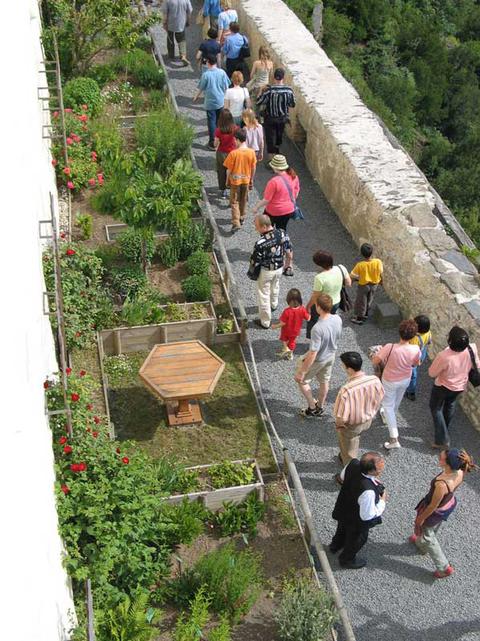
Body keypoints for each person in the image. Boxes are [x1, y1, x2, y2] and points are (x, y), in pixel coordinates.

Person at [409, 448, 476, 578]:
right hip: (448, 504)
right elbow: (454, 489)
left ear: (448, 464)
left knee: (428, 533)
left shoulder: (441, 485)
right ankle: (421, 544)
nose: (439, 458)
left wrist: (420, 519)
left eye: (441, 458)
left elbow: (432, 506)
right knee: (433, 527)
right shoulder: (460, 472)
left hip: (435, 510)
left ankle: (444, 567)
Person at [330, 452, 387, 569]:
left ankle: (335, 545)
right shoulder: (368, 491)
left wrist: (373, 480)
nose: (381, 470)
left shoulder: (353, 463)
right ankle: (347, 560)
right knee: (357, 539)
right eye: (379, 469)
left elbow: (342, 477)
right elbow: (367, 515)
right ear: (371, 471)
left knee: (341, 528)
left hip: (344, 507)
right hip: (356, 521)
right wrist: (382, 501)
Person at [372, 319, 421, 450]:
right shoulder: (415, 348)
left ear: (399, 332)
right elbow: (416, 364)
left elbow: (376, 360)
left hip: (389, 379)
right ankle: (389, 416)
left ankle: (394, 438)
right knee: (396, 402)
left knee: (387, 404)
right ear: (414, 335)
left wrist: (377, 352)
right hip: (405, 379)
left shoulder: (390, 347)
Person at [428, 326, 480, 448]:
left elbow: (432, 373)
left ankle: (442, 439)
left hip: (443, 386)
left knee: (435, 408)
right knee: (450, 405)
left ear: (450, 341)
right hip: (460, 385)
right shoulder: (471, 348)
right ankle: (444, 427)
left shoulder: (444, 356)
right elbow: (476, 365)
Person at [294, 293, 342, 418]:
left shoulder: (317, 328)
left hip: (319, 358)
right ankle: (320, 406)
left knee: (302, 381)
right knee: (324, 381)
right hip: (331, 355)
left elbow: (313, 353)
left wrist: (302, 372)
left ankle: (311, 407)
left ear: (319, 307)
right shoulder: (338, 319)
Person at [334, 352, 385, 467]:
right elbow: (381, 396)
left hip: (352, 425)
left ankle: (347, 471)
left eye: (343, 365)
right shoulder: (374, 380)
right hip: (368, 419)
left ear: (349, 369)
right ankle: (344, 456)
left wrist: (339, 425)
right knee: (353, 441)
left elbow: (340, 416)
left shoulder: (346, 390)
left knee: (350, 451)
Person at [250, 214, 293, 329]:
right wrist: (288, 264)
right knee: (275, 286)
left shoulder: (261, 243)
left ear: (264, 227)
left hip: (266, 271)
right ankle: (273, 304)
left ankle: (265, 322)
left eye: (257, 226)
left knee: (263, 295)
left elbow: (255, 261)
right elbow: (289, 250)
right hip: (279, 267)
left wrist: (252, 274)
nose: (256, 229)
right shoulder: (282, 233)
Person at [305, 251, 351, 339]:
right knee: (328, 319)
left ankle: (314, 338)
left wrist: (308, 306)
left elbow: (315, 296)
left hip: (322, 303)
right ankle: (326, 335)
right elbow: (348, 283)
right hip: (336, 302)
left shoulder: (319, 278)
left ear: (321, 265)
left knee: (314, 320)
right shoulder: (341, 268)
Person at [252, 153, 299, 235]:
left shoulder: (274, 182)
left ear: (275, 167)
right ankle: (281, 245)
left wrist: (256, 207)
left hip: (273, 211)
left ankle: (268, 244)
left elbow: (266, 200)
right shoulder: (294, 177)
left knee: (266, 230)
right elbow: (296, 193)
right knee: (282, 230)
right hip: (288, 210)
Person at [256, 68, 295, 160]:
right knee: (279, 136)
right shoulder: (289, 90)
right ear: (283, 77)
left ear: (274, 77)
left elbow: (259, 102)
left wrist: (261, 91)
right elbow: (292, 104)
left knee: (270, 137)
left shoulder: (269, 90)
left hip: (270, 118)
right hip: (282, 118)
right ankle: (277, 154)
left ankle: (271, 158)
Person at [193, 54, 230, 150]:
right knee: (219, 122)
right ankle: (220, 141)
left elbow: (201, 87)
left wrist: (196, 97)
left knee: (211, 122)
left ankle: (212, 142)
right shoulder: (222, 72)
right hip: (220, 101)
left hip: (210, 102)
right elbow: (226, 87)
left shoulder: (206, 75)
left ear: (208, 63)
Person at [223, 129, 256, 232]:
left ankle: (236, 221)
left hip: (235, 182)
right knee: (243, 199)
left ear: (237, 139)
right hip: (246, 180)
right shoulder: (251, 152)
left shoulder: (233, 153)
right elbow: (253, 168)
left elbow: (228, 170)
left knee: (234, 201)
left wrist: (226, 180)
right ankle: (242, 217)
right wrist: (251, 179)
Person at [271, 288, 310, 360]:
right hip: (295, 331)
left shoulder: (287, 311)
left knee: (284, 339)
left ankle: (285, 348)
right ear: (299, 299)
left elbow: (283, 323)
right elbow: (308, 318)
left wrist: (275, 326)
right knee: (292, 342)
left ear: (288, 300)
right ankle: (290, 354)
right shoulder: (302, 309)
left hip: (286, 330)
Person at [350, 243, 383, 325]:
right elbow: (380, 273)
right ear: (372, 252)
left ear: (362, 254)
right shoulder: (378, 261)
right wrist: (381, 281)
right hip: (375, 284)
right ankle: (366, 314)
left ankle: (359, 318)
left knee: (361, 301)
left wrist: (351, 281)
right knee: (370, 298)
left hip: (364, 286)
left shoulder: (360, 265)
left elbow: (353, 275)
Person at [405, 314, 432, 401]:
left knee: (413, 374)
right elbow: (429, 342)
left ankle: (411, 391)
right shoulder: (428, 332)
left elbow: (410, 351)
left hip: (414, 358)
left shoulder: (415, 339)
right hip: (422, 352)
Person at [214, 108, 237, 197]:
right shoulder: (235, 128)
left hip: (221, 153)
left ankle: (223, 190)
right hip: (233, 153)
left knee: (221, 171)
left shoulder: (218, 130)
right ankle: (232, 188)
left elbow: (215, 144)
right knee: (232, 171)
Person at [162, 0, 193, 66]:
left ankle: (171, 55)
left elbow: (165, 13)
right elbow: (189, 11)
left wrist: (164, 23)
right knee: (182, 40)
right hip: (181, 23)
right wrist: (188, 20)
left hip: (170, 23)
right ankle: (183, 56)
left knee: (170, 39)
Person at [247, 46, 273, 114]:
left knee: (254, 104)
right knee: (263, 104)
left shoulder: (256, 63)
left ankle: (255, 118)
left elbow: (251, 75)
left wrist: (255, 77)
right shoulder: (271, 63)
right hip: (266, 87)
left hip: (257, 87)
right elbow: (270, 75)